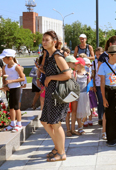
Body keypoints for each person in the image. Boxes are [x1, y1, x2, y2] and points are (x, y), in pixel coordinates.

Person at [40, 31, 71, 162]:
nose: (44, 42)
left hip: (58, 95)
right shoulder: (49, 56)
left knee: (55, 124)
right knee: (45, 122)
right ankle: (58, 147)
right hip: (50, 94)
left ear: (54, 42)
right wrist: (43, 69)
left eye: (47, 40)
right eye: (43, 40)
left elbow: (68, 74)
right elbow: (49, 71)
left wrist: (51, 77)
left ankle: (61, 153)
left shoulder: (58, 56)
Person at [97, 45, 116, 146]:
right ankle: (111, 137)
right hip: (108, 90)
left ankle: (113, 137)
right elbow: (102, 83)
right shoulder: (103, 66)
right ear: (110, 55)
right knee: (109, 114)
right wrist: (104, 98)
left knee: (113, 113)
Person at [0, 49, 25, 133]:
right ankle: (12, 123)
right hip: (9, 88)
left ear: (10, 58)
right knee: (11, 106)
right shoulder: (4, 67)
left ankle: (19, 124)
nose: (3, 60)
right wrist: (5, 86)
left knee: (16, 106)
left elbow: (22, 78)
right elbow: (3, 78)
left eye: (4, 58)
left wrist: (11, 81)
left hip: (16, 88)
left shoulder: (16, 67)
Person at [75, 57, 90, 134]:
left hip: (85, 94)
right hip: (78, 94)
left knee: (85, 111)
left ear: (81, 65)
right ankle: (80, 127)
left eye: (76, 64)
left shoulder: (86, 72)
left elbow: (89, 83)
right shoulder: (75, 73)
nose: (75, 66)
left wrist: (89, 76)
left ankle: (82, 124)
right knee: (78, 111)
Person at [64, 55, 78, 137]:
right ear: (68, 63)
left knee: (74, 111)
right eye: (73, 63)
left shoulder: (74, 72)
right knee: (67, 113)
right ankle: (68, 130)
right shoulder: (63, 72)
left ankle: (73, 129)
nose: (75, 65)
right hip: (66, 94)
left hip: (74, 94)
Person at [92, 47, 104, 126]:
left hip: (105, 84)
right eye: (96, 55)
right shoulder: (94, 62)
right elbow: (93, 74)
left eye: (100, 54)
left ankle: (105, 117)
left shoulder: (105, 61)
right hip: (98, 84)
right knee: (100, 101)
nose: (98, 56)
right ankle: (100, 117)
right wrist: (94, 85)